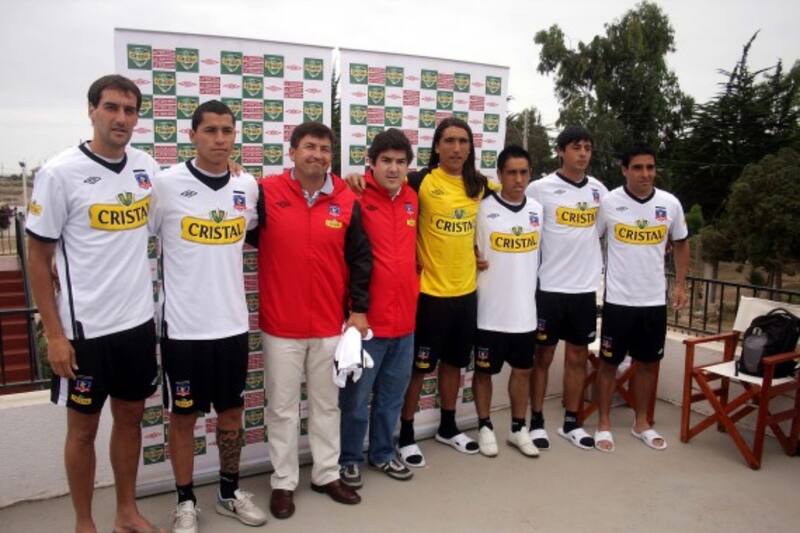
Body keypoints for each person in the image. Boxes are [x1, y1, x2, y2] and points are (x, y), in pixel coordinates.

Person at [26, 75, 161, 533]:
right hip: (83, 333)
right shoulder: (59, 173)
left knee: (130, 419)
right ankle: (84, 523)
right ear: (91, 111)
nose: (121, 118)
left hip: (137, 326)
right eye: (111, 108)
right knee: (82, 431)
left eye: (129, 110)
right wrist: (55, 334)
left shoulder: (146, 167)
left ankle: (126, 512)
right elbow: (38, 259)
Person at [149, 100, 266, 532]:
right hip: (183, 328)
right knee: (183, 418)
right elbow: (127, 237)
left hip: (233, 326)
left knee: (232, 415)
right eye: (211, 131)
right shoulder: (164, 185)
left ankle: (229, 491)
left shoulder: (247, 186)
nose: (220, 139)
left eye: (227, 131)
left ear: (235, 137)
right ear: (193, 134)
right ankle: (184, 501)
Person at [254, 122, 371, 519]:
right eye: (309, 147)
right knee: (283, 409)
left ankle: (325, 474)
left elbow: (359, 260)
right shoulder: (265, 193)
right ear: (292, 152)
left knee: (327, 406)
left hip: (328, 325)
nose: (317, 155)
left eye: (325, 149)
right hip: (280, 325)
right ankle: (283, 482)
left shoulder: (346, 198)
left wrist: (358, 310)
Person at [594, 143, 689, 452]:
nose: (645, 174)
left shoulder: (670, 203)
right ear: (625, 170)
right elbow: (590, 239)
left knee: (648, 364)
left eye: (650, 167)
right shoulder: (609, 202)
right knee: (608, 364)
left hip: (653, 302)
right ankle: (604, 423)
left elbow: (682, 243)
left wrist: (681, 285)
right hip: (619, 301)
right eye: (637, 167)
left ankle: (641, 423)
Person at [338, 128, 419, 488]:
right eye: (386, 160)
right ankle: (349, 459)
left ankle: (384, 453)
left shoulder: (413, 198)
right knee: (356, 400)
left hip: (405, 321)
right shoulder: (353, 194)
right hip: (366, 322)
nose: (393, 168)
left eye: (400, 162)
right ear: (371, 162)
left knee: (391, 397)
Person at [525, 126, 607, 451]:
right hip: (548, 289)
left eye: (587, 147)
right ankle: (536, 421)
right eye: (576, 147)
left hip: (584, 290)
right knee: (542, 356)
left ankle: (572, 422)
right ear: (561, 151)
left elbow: (597, 233)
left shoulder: (600, 191)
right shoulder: (540, 189)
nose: (583, 153)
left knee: (577, 357)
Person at [472, 145, 542, 458]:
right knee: (484, 373)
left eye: (523, 172)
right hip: (488, 312)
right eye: (511, 172)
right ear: (499, 175)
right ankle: (485, 425)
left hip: (524, 314)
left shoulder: (538, 210)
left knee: (523, 371)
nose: (518, 178)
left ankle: (517, 428)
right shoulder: (481, 208)